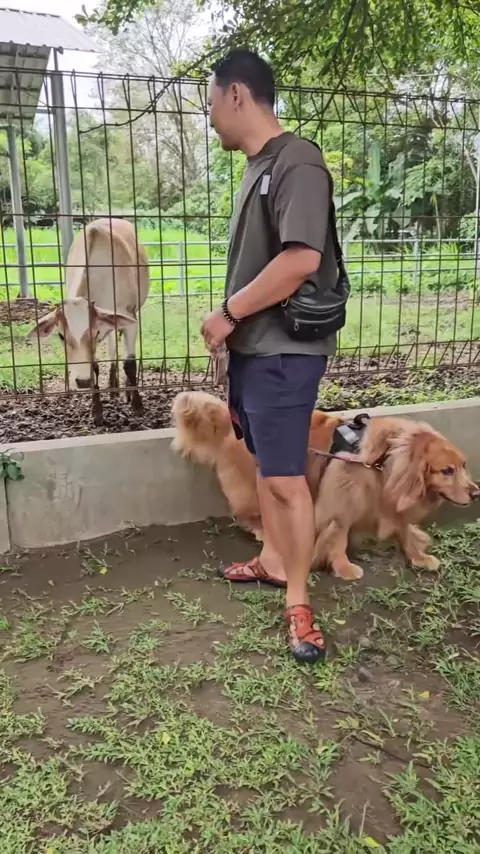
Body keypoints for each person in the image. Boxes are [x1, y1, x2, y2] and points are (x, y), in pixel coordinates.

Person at [201, 48, 339, 664]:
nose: (210, 117)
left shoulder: (297, 161)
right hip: (256, 350)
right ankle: (274, 559)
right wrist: (234, 334)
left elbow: (301, 258)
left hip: (284, 351)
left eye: (211, 102)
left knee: (285, 481)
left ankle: (299, 603)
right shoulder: (258, 167)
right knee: (267, 465)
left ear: (236, 94)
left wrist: (229, 314)